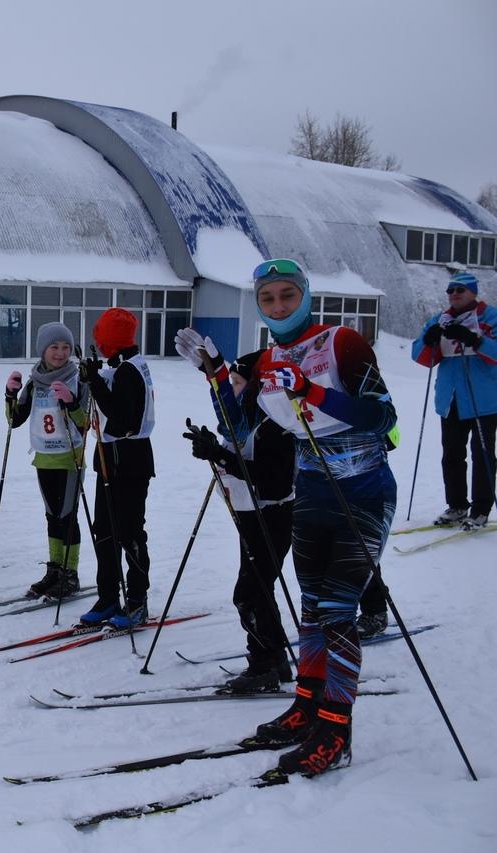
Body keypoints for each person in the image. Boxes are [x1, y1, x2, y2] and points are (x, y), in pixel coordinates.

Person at [199, 258, 398, 777]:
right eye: (268, 299)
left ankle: (336, 729)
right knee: (311, 608)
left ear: (305, 296)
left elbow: (382, 415)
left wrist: (310, 390)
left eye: (288, 295)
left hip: (362, 489)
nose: (279, 306)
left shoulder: (342, 343)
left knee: (336, 611)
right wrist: (219, 374)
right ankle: (307, 706)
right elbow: (237, 423)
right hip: (310, 489)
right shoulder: (266, 360)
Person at [177, 347, 295, 693]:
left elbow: (273, 482)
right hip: (250, 515)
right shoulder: (245, 420)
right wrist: (212, 448)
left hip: (272, 516)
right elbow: (234, 454)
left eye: (239, 382)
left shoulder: (277, 424)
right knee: (259, 591)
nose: (233, 389)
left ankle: (262, 666)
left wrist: (222, 456)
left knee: (249, 594)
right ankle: (274, 662)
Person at [78, 307, 155, 629]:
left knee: (129, 532)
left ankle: (136, 601)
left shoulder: (130, 371)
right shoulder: (120, 367)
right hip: (109, 457)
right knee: (104, 532)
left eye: (101, 338)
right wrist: (96, 376)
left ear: (110, 340)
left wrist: (94, 380)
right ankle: (108, 594)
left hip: (130, 459)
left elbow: (123, 419)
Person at [4, 322, 89, 600]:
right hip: (44, 459)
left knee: (67, 518)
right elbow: (15, 420)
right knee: (52, 517)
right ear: (43, 350)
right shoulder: (35, 382)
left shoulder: (78, 380)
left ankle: (70, 574)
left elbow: (87, 425)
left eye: (65, 347)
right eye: (54, 347)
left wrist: (72, 403)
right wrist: (10, 394)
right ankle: (55, 569)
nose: (61, 352)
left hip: (69, 460)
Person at [411, 271, 497, 531]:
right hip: (450, 398)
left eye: (460, 289)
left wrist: (475, 340)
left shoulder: (489, 316)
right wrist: (429, 341)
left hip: (484, 398)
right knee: (452, 454)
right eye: (450, 290)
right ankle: (457, 505)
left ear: (473, 291)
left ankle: (481, 509)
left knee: (482, 454)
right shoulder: (441, 319)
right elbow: (420, 355)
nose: (454, 294)